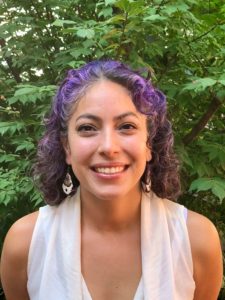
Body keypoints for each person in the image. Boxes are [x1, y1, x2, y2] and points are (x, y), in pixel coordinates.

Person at [0, 60, 223, 300]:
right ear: (67, 147)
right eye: (87, 128)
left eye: (127, 126)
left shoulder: (196, 240)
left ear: (149, 144)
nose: (108, 147)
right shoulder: (25, 243)